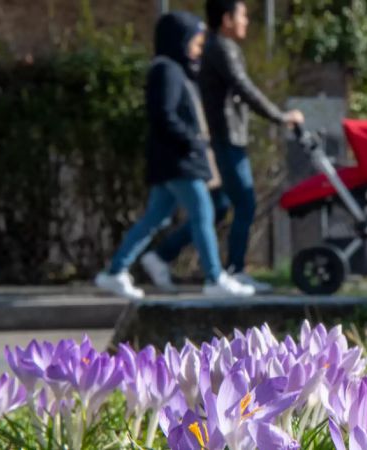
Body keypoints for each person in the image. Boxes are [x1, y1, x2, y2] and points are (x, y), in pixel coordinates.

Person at [138, 0, 304, 294]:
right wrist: (280, 117)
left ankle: (163, 255)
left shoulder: (215, 48)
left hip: (218, 139)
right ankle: (232, 271)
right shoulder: (221, 48)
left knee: (215, 207)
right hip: (225, 139)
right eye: (241, 15)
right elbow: (244, 88)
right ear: (226, 18)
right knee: (243, 202)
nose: (246, 22)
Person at [95, 11, 254, 299]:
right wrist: (192, 140)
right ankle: (215, 278)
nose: (198, 48)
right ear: (179, 40)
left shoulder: (175, 69)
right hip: (179, 161)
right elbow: (164, 115)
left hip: (175, 159)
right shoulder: (166, 70)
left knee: (156, 217)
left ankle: (115, 271)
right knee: (203, 212)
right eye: (195, 41)